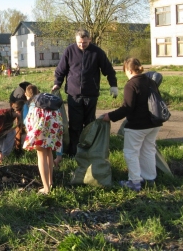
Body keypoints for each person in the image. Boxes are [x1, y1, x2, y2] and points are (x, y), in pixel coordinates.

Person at [52, 28, 118, 157]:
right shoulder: (69, 51)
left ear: (90, 40)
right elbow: (61, 70)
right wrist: (57, 83)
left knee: (89, 124)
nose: (82, 45)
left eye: (84, 43)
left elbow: (109, 70)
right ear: (76, 40)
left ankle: (88, 150)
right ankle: (74, 152)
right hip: (74, 94)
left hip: (91, 94)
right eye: (79, 43)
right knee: (75, 124)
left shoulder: (97, 52)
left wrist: (113, 85)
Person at [102, 58, 161, 192]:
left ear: (128, 70)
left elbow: (127, 107)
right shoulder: (150, 81)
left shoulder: (131, 84)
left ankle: (134, 182)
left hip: (138, 125)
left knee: (131, 153)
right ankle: (150, 178)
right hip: (154, 123)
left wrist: (110, 116)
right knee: (148, 150)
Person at [23, 85, 63, 194]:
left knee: (41, 155)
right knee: (49, 152)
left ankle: (46, 188)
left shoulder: (32, 103)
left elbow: (28, 121)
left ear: (26, 95)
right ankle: (50, 182)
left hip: (40, 127)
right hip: (53, 124)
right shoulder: (46, 100)